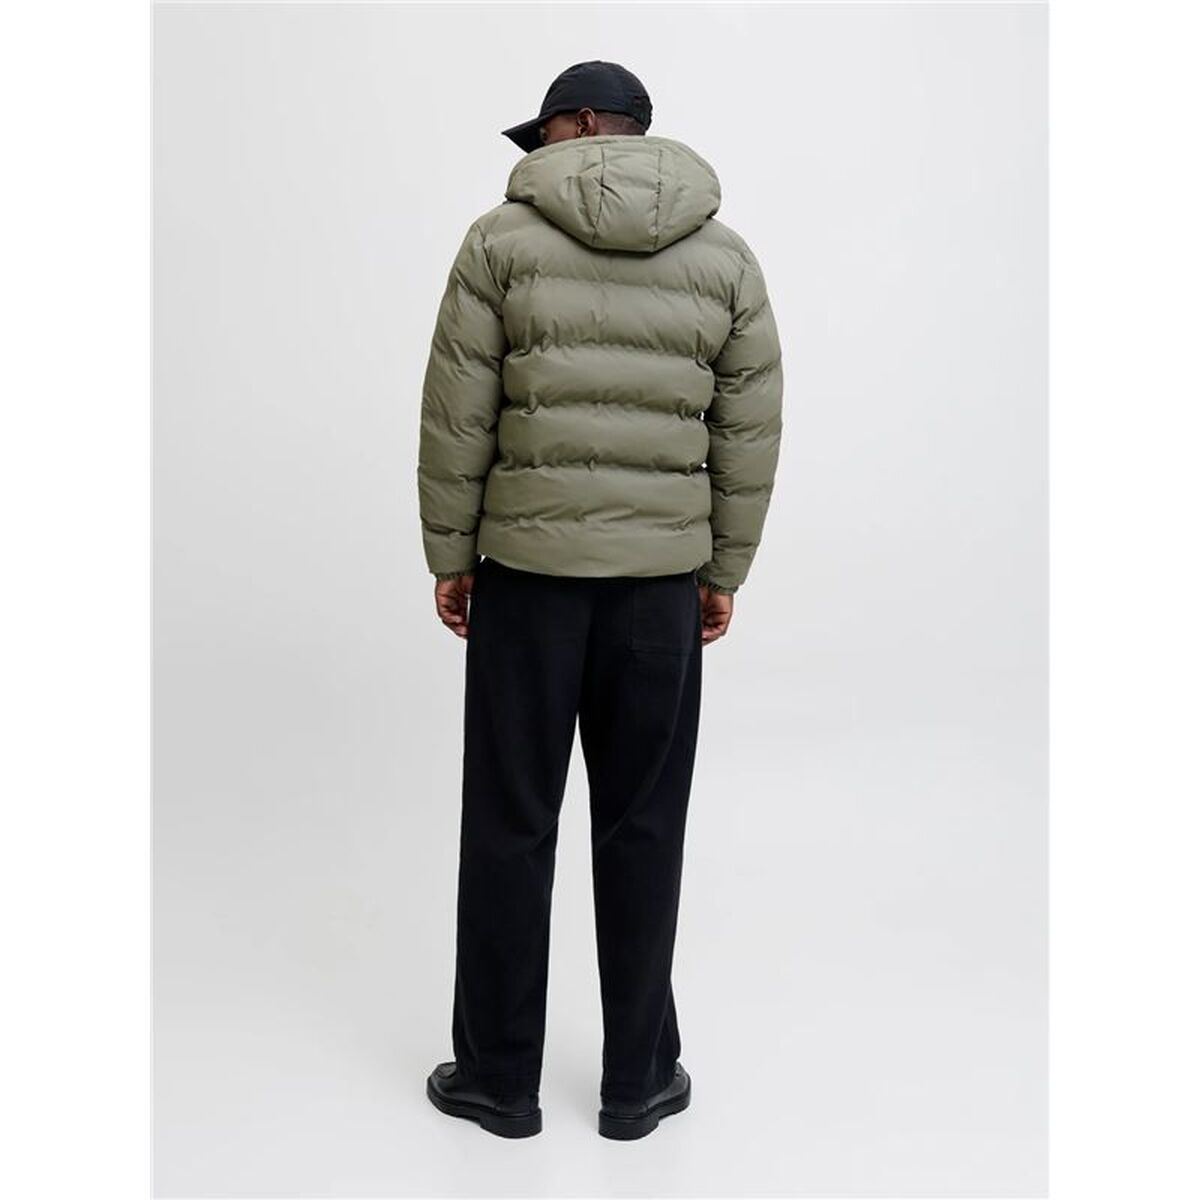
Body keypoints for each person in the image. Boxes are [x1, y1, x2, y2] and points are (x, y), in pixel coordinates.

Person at [419, 60, 784, 1140]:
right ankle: (638, 1080)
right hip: (658, 593)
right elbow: (748, 429)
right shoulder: (725, 257)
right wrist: (721, 573)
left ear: (581, 124)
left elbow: (457, 413)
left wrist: (452, 555)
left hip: (528, 587)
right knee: (644, 827)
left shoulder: (498, 242)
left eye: (542, 131)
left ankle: (498, 1080)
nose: (535, 150)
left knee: (509, 825)